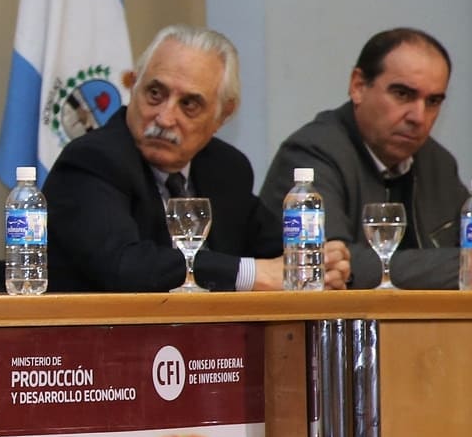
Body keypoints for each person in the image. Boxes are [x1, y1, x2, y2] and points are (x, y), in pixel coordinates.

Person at [46, 24, 350, 292]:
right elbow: (127, 265)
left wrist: (319, 263)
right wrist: (251, 274)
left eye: (189, 103)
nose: (165, 117)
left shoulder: (226, 168)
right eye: (155, 93)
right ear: (133, 85)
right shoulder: (92, 161)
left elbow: (277, 249)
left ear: (223, 114)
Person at [260, 28, 463, 289]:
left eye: (433, 101)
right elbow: (333, 263)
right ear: (358, 86)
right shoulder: (311, 152)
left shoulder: (437, 162)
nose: (418, 117)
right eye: (403, 94)